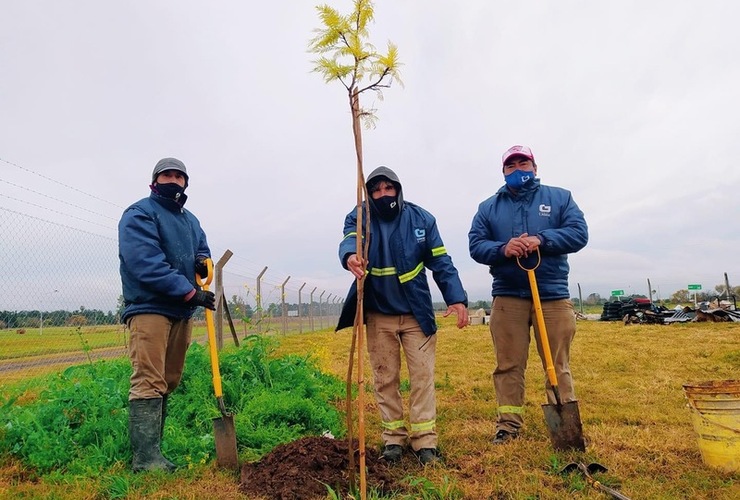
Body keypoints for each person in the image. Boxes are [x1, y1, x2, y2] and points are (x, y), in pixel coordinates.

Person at [336, 166, 469, 465]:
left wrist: (457, 298)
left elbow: (441, 262)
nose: (383, 194)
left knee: (422, 378)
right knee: (385, 379)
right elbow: (348, 240)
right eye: (376, 190)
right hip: (379, 314)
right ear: (369, 193)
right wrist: (350, 257)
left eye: (388, 188)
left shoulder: (422, 219)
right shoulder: (359, 216)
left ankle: (425, 443)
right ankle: (393, 440)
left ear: (398, 189)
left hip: (415, 314)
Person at [468, 145, 588, 445]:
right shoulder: (488, 207)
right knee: (508, 364)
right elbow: (476, 245)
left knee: (556, 363)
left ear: (535, 167)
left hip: (552, 295)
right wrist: (502, 249)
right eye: (512, 165)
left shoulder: (560, 198)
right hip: (508, 296)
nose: (518, 169)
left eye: (524, 163)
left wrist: (542, 239)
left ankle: (564, 425)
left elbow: (579, 233)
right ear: (504, 171)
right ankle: (508, 425)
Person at [118, 157, 215, 472]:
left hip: (180, 312)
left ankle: (155, 452)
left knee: (169, 380)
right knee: (149, 380)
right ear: (154, 181)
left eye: (179, 176)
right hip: (150, 308)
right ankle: (144, 460)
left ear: (186, 183)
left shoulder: (191, 220)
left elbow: (202, 248)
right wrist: (190, 291)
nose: (173, 180)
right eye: (166, 175)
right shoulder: (139, 214)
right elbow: (144, 261)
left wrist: (202, 261)